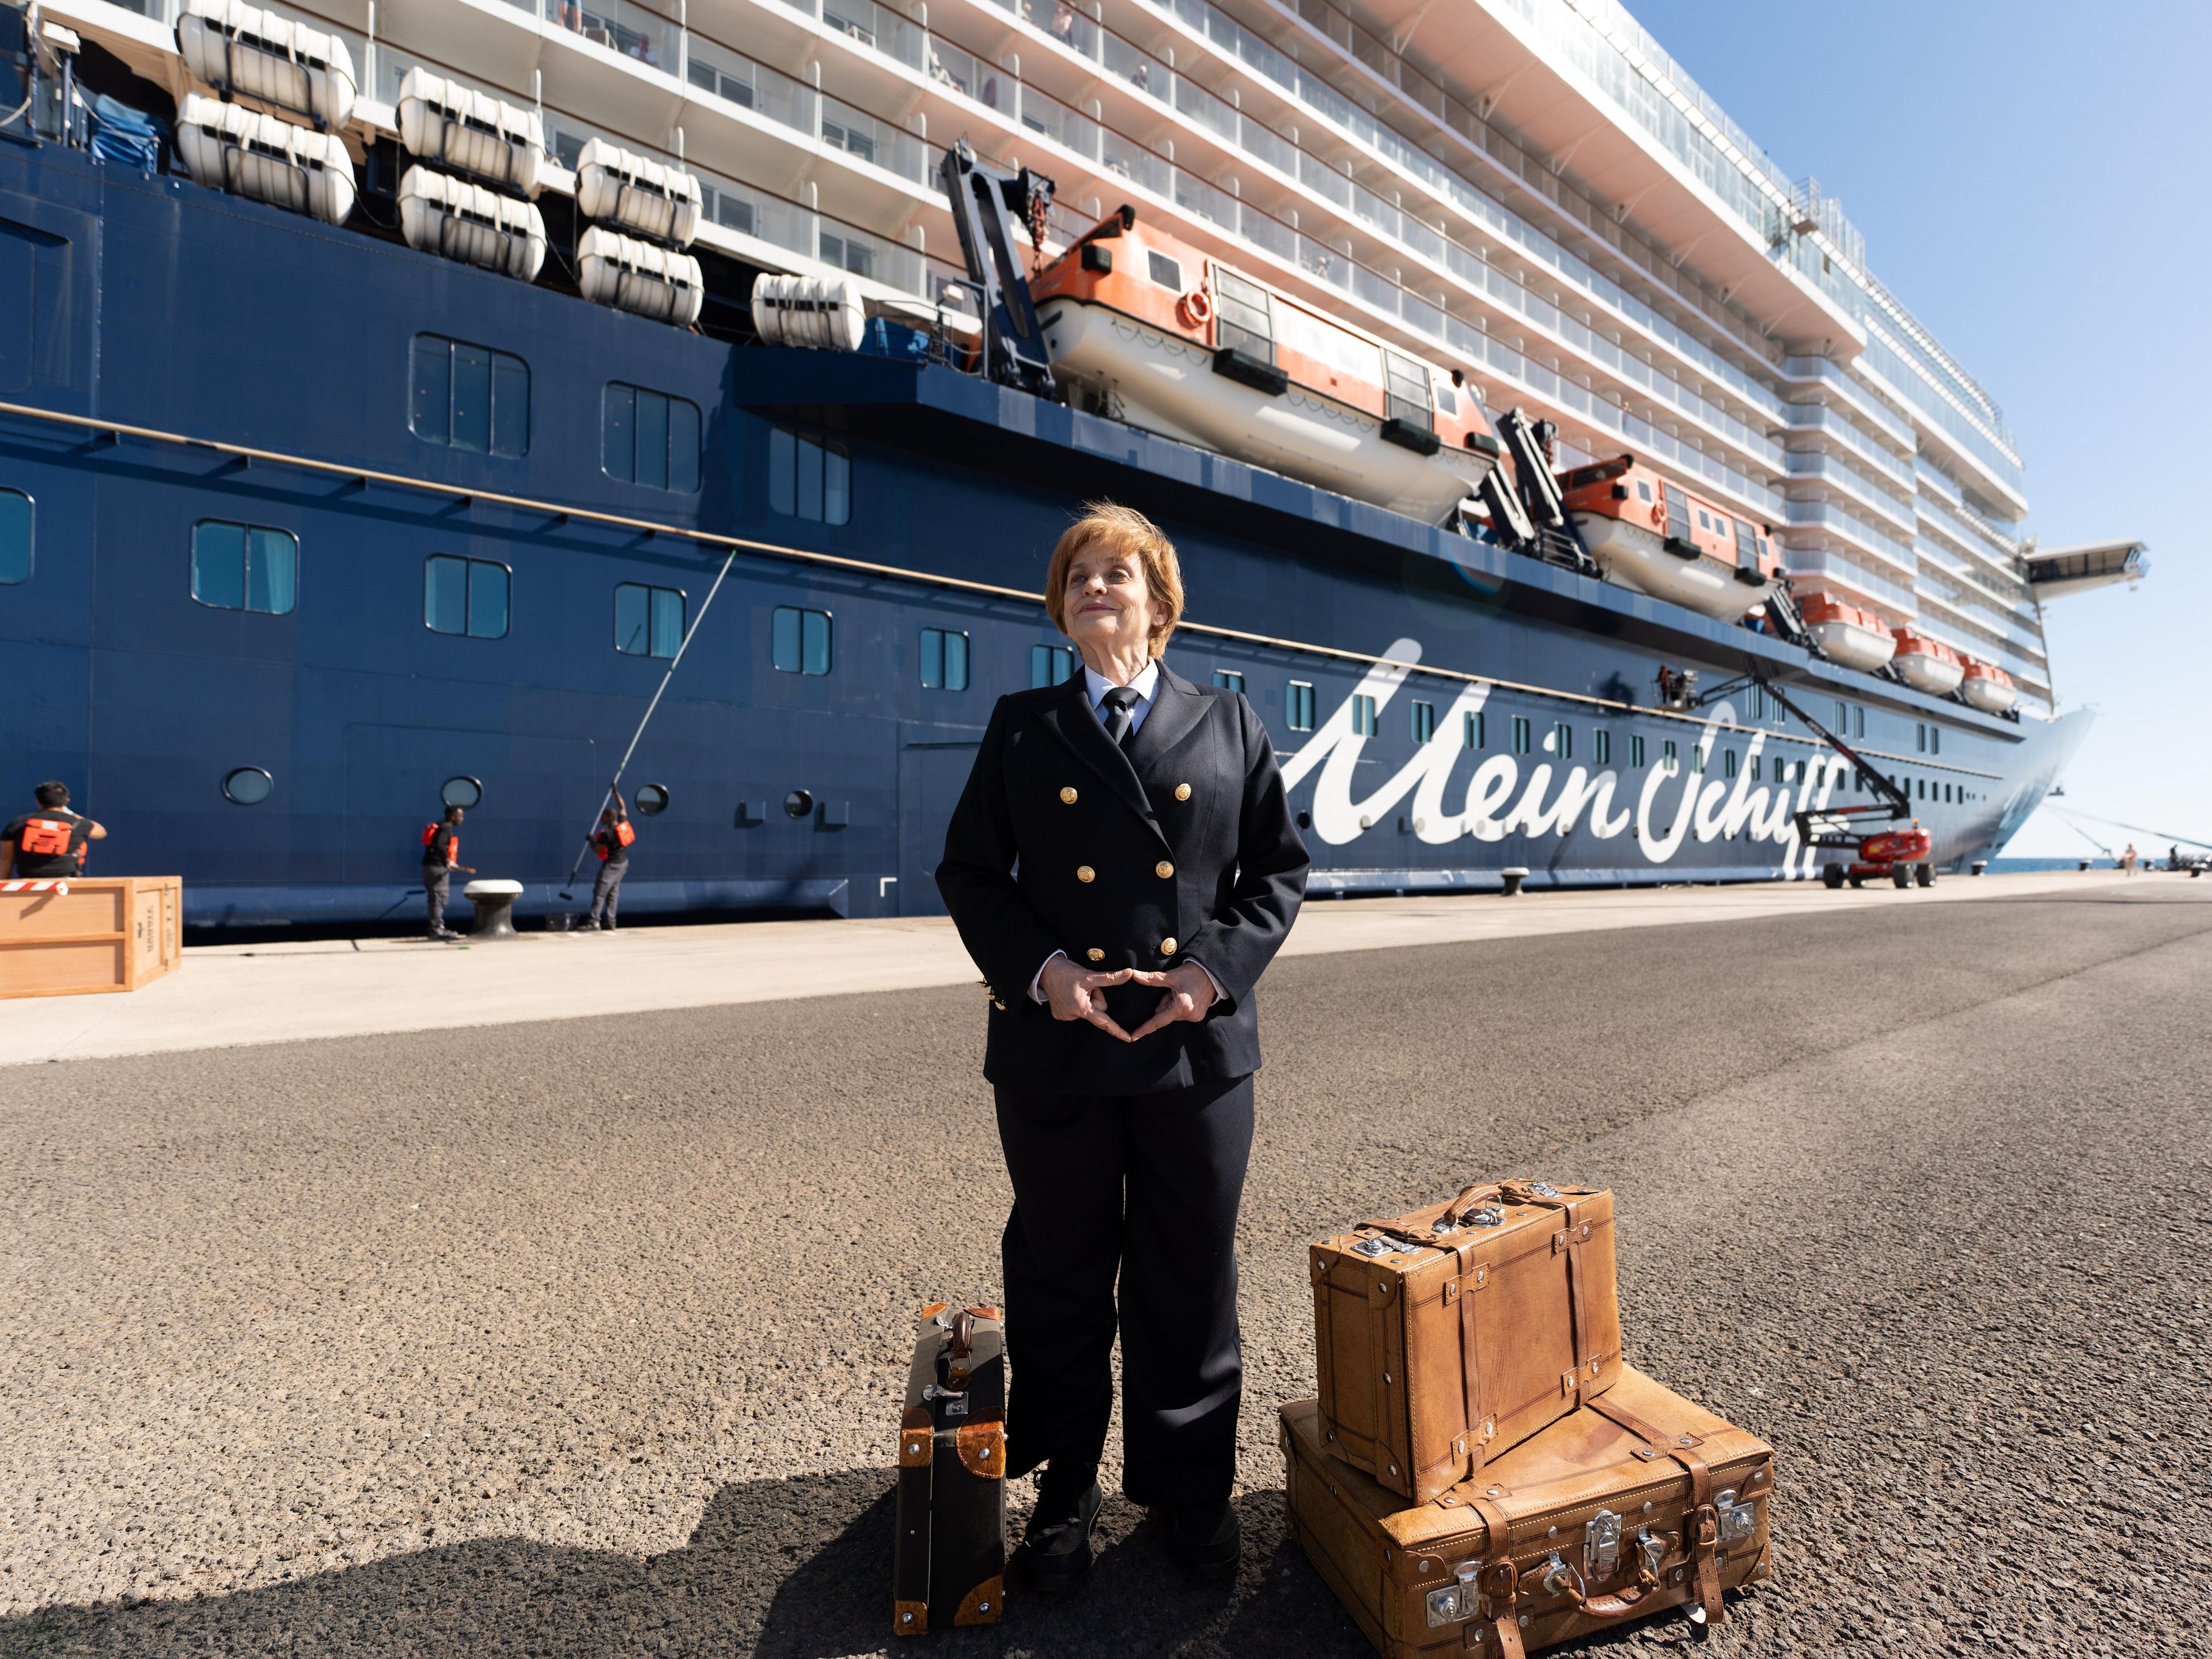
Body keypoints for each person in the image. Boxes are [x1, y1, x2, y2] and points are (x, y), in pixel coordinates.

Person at [936, 503, 1309, 1592]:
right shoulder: (1024, 726)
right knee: (1058, 1270)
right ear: (1061, 610)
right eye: (1078, 576)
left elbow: (1276, 873)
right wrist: (1045, 970)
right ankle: (1065, 1489)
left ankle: (1189, 1488)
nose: (1095, 587)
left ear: (1161, 606)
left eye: (1117, 574)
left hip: (1192, 1049)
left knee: (1187, 1270)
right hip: (1060, 1042)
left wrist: (1210, 974)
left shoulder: (1229, 722)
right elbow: (970, 873)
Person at [2, 781, 105, 881]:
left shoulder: (18, 824)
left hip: (28, 881)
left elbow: (6, 859)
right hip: (67, 882)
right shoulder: (77, 824)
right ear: (66, 801)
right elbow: (101, 832)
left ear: (38, 801)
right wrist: (71, 814)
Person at [582, 790, 634, 931]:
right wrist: (616, 792)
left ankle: (594, 922)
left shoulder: (608, 834)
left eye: (604, 816)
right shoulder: (622, 824)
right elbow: (622, 806)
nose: (601, 819)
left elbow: (597, 850)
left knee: (600, 893)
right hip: (623, 864)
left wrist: (591, 840)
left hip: (612, 866)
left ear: (610, 817)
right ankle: (611, 922)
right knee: (613, 893)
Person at [421, 804, 475, 940]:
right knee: (439, 898)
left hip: (429, 867)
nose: (462, 819)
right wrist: (448, 860)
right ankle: (436, 929)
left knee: (435, 898)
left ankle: (435, 927)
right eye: (460, 816)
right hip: (437, 868)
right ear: (452, 817)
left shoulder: (440, 826)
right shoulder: (446, 828)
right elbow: (440, 845)